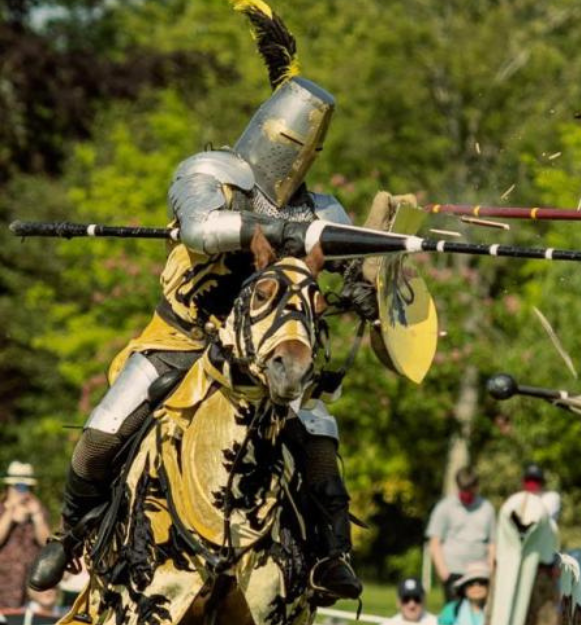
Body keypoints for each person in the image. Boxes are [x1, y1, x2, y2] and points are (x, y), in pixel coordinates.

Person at [27, 1, 381, 602]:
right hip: (182, 341)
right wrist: (272, 235)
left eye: (308, 146)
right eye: (290, 139)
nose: (296, 153)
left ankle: (328, 554)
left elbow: (355, 259)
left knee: (320, 432)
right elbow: (199, 228)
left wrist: (367, 282)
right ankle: (71, 534)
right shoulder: (211, 172)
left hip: (261, 357)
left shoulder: (319, 208)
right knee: (105, 429)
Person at [427, 468, 496, 601]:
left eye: (470, 489)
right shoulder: (445, 507)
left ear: (476, 487)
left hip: (479, 572)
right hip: (454, 571)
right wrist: (443, 572)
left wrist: (491, 570)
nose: (466, 494)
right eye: (463, 489)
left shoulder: (487, 508)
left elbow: (492, 543)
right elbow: (435, 542)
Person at [0, 462, 51, 610]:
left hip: (28, 591)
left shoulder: (38, 510)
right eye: (18, 486)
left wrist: (37, 517)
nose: (22, 491)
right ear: (9, 487)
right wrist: (10, 513)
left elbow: (47, 544)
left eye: (25, 487)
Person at [438, 561, 489, 625]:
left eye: (482, 582)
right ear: (464, 588)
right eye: (471, 583)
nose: (476, 587)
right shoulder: (451, 610)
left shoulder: (498, 610)